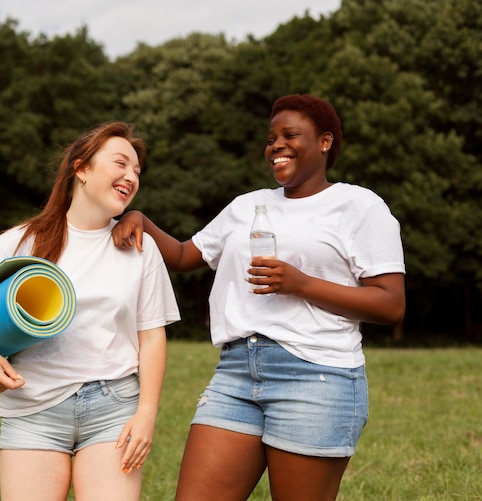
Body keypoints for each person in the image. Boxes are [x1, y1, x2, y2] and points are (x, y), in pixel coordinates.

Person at [112, 94, 406, 501]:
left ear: (324, 142)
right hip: (236, 373)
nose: (276, 145)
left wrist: (301, 284)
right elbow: (183, 255)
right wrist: (140, 219)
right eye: (271, 139)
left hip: (316, 376)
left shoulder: (358, 206)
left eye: (290, 135)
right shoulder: (247, 205)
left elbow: (391, 303)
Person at [0, 121, 180, 501]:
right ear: (81, 169)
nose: (131, 176)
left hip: (112, 409)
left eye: (136, 171)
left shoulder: (139, 248)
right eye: (120, 164)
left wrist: (146, 413)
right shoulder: (26, 238)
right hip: (32, 408)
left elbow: (151, 336)